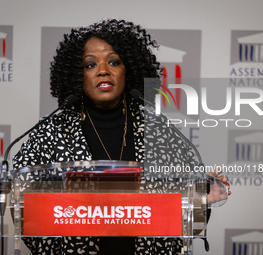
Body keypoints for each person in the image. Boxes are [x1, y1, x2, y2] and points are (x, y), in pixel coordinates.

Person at [13, 18, 230, 255]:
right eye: (90, 65)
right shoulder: (52, 130)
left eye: (113, 62)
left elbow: (189, 219)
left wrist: (202, 196)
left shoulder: (160, 131)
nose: (103, 70)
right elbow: (22, 205)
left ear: (129, 70)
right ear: (77, 75)